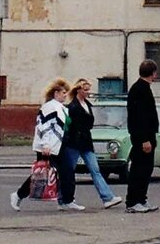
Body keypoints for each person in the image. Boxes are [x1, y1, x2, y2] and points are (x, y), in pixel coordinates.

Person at [11, 78, 83, 211]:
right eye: (63, 93)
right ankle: (18, 195)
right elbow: (43, 127)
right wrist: (45, 145)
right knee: (41, 174)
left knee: (67, 172)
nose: (65, 95)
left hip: (59, 146)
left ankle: (67, 200)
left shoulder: (61, 108)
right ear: (56, 93)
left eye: (66, 93)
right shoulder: (49, 107)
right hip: (48, 148)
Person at [63, 79, 122, 209]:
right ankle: (63, 199)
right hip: (74, 143)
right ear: (78, 90)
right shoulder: (72, 107)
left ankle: (107, 197)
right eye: (85, 90)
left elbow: (89, 124)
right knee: (68, 171)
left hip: (86, 143)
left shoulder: (88, 105)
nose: (88, 92)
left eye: (88, 89)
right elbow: (71, 125)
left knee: (95, 170)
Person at [125, 59, 160, 213]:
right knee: (139, 170)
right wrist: (144, 139)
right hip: (142, 138)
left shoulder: (144, 88)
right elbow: (139, 117)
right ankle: (133, 201)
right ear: (153, 73)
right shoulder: (139, 89)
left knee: (146, 170)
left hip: (147, 136)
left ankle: (141, 199)